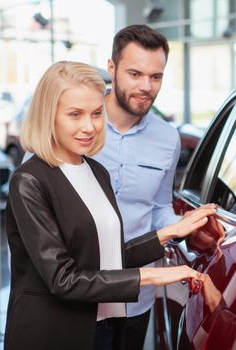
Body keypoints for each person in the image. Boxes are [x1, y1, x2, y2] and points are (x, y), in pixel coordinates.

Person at [4, 61, 215, 350]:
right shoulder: (29, 181)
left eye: (96, 113)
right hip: (55, 333)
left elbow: (105, 257)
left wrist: (169, 232)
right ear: (48, 116)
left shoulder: (95, 171)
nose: (89, 127)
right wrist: (154, 275)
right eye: (75, 115)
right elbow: (63, 279)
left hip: (103, 328)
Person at [93, 24, 183, 349]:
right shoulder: (77, 126)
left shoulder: (167, 138)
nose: (146, 86)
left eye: (156, 77)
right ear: (112, 69)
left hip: (137, 293)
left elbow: (160, 207)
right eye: (135, 74)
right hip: (81, 295)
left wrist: (185, 229)